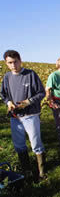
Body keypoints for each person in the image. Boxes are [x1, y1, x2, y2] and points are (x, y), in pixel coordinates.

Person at [0, 50, 46, 180]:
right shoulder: (7, 77)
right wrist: (8, 102)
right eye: (10, 62)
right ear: (6, 63)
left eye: (15, 62)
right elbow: (3, 94)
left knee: (36, 143)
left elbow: (41, 93)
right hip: (15, 117)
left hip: (30, 115)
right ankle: (27, 170)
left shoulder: (30, 74)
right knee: (19, 145)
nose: (13, 65)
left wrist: (28, 102)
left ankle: (41, 171)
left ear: (20, 60)